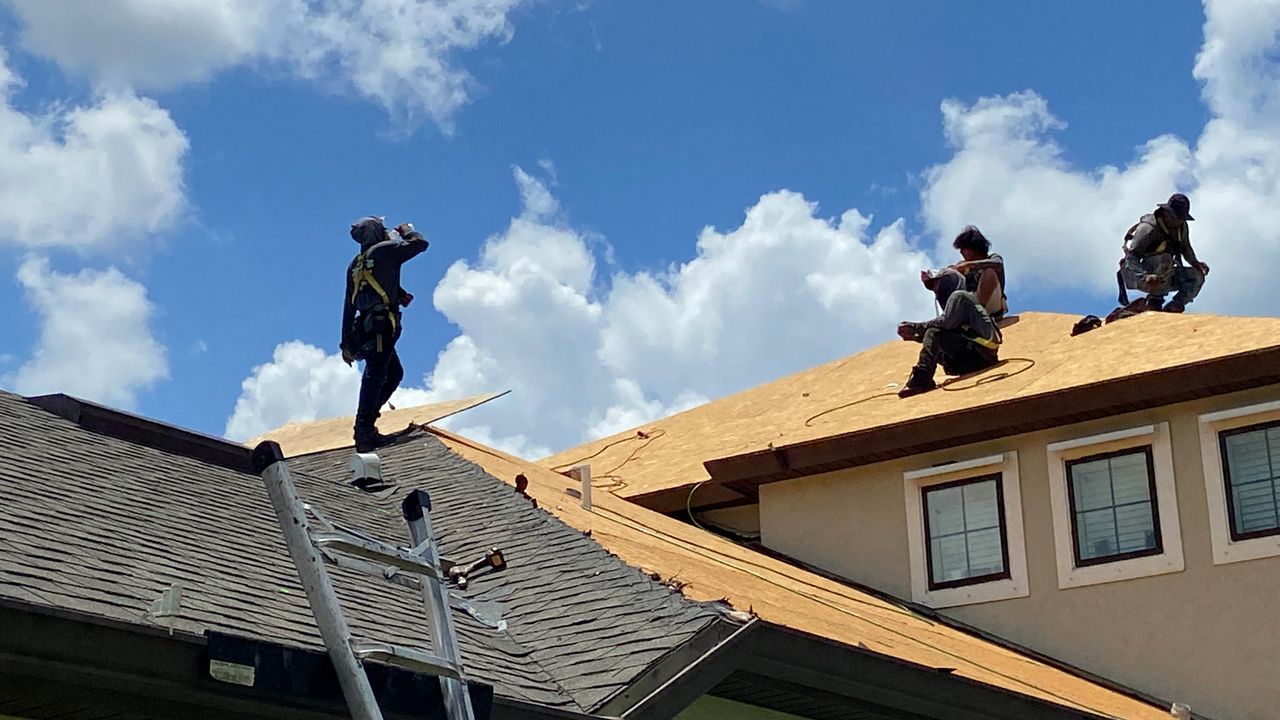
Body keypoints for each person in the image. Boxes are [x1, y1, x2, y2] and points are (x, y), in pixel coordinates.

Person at [340, 216, 429, 452]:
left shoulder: (356, 264)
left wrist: (345, 344)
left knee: (393, 374)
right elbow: (421, 244)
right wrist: (407, 231)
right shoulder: (385, 250)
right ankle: (364, 430)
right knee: (375, 375)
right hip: (382, 327)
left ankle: (366, 422)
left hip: (366, 327)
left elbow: (350, 304)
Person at [896, 269, 1001, 398]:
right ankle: (926, 377)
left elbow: (946, 323)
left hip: (981, 354)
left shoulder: (959, 296)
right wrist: (917, 336)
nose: (935, 290)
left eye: (936, 284)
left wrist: (916, 328)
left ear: (949, 281)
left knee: (933, 332)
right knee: (932, 335)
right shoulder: (963, 302)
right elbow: (948, 332)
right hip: (980, 356)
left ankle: (922, 378)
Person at [1117, 193, 1208, 313]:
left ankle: (1175, 305)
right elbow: (1131, 257)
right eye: (1176, 216)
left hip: (1165, 275)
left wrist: (1196, 263)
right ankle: (1154, 301)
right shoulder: (1148, 228)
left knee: (1197, 276)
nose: (1179, 221)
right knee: (1166, 259)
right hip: (1138, 273)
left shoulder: (1181, 227)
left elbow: (1186, 248)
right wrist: (1145, 277)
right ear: (1167, 212)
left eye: (1182, 218)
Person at [948, 225, 1007, 320]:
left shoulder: (993, 258)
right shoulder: (962, 265)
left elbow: (998, 264)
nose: (961, 252)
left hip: (992, 305)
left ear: (974, 248)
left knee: (989, 272)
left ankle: (980, 313)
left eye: (963, 248)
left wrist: (969, 265)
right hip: (971, 304)